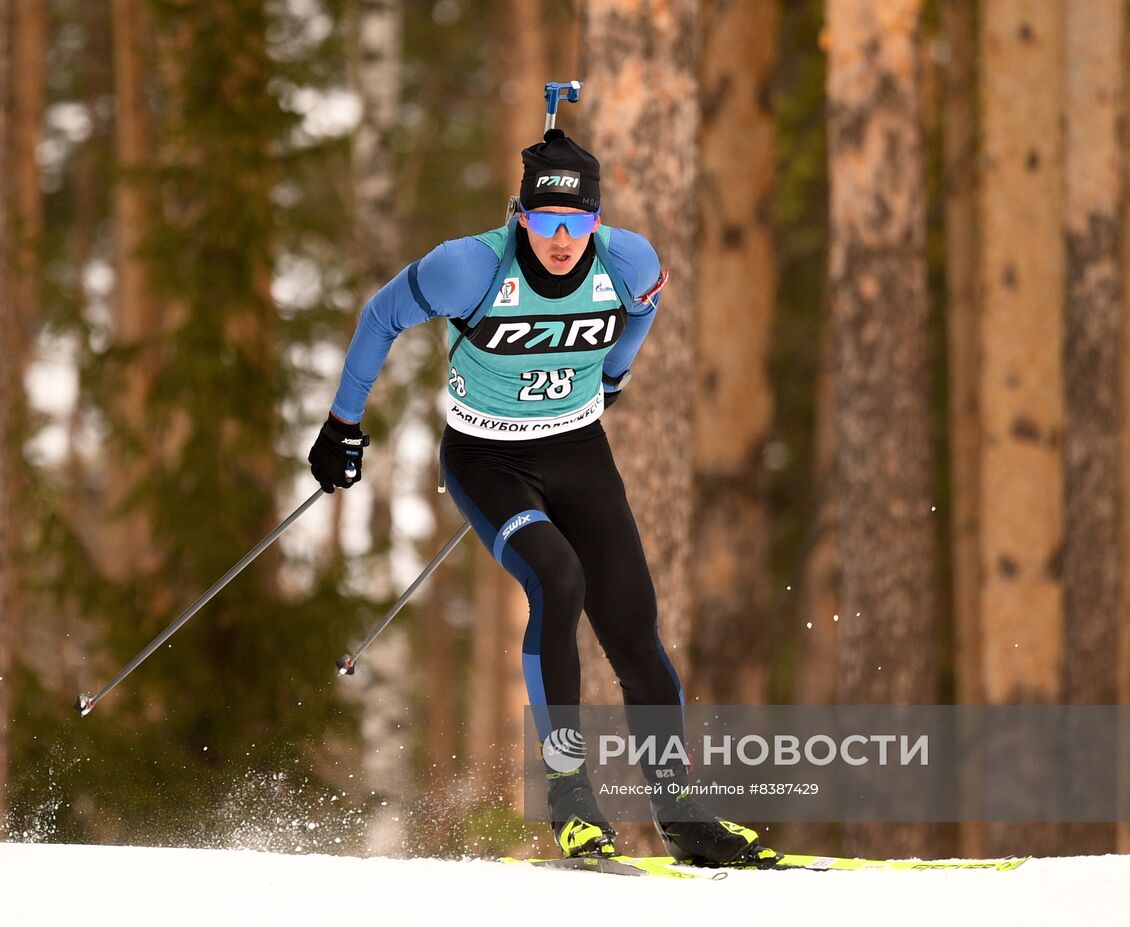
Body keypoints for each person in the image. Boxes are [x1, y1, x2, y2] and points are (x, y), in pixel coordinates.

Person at [308, 128, 778, 867]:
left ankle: (681, 813)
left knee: (633, 627)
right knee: (558, 579)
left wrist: (613, 378)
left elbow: (643, 314)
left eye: (579, 222)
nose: (563, 240)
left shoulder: (630, 262)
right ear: (520, 216)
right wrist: (343, 423)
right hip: (487, 460)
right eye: (547, 221)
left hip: (578, 452)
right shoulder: (468, 268)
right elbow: (381, 317)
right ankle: (568, 794)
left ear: (598, 221)